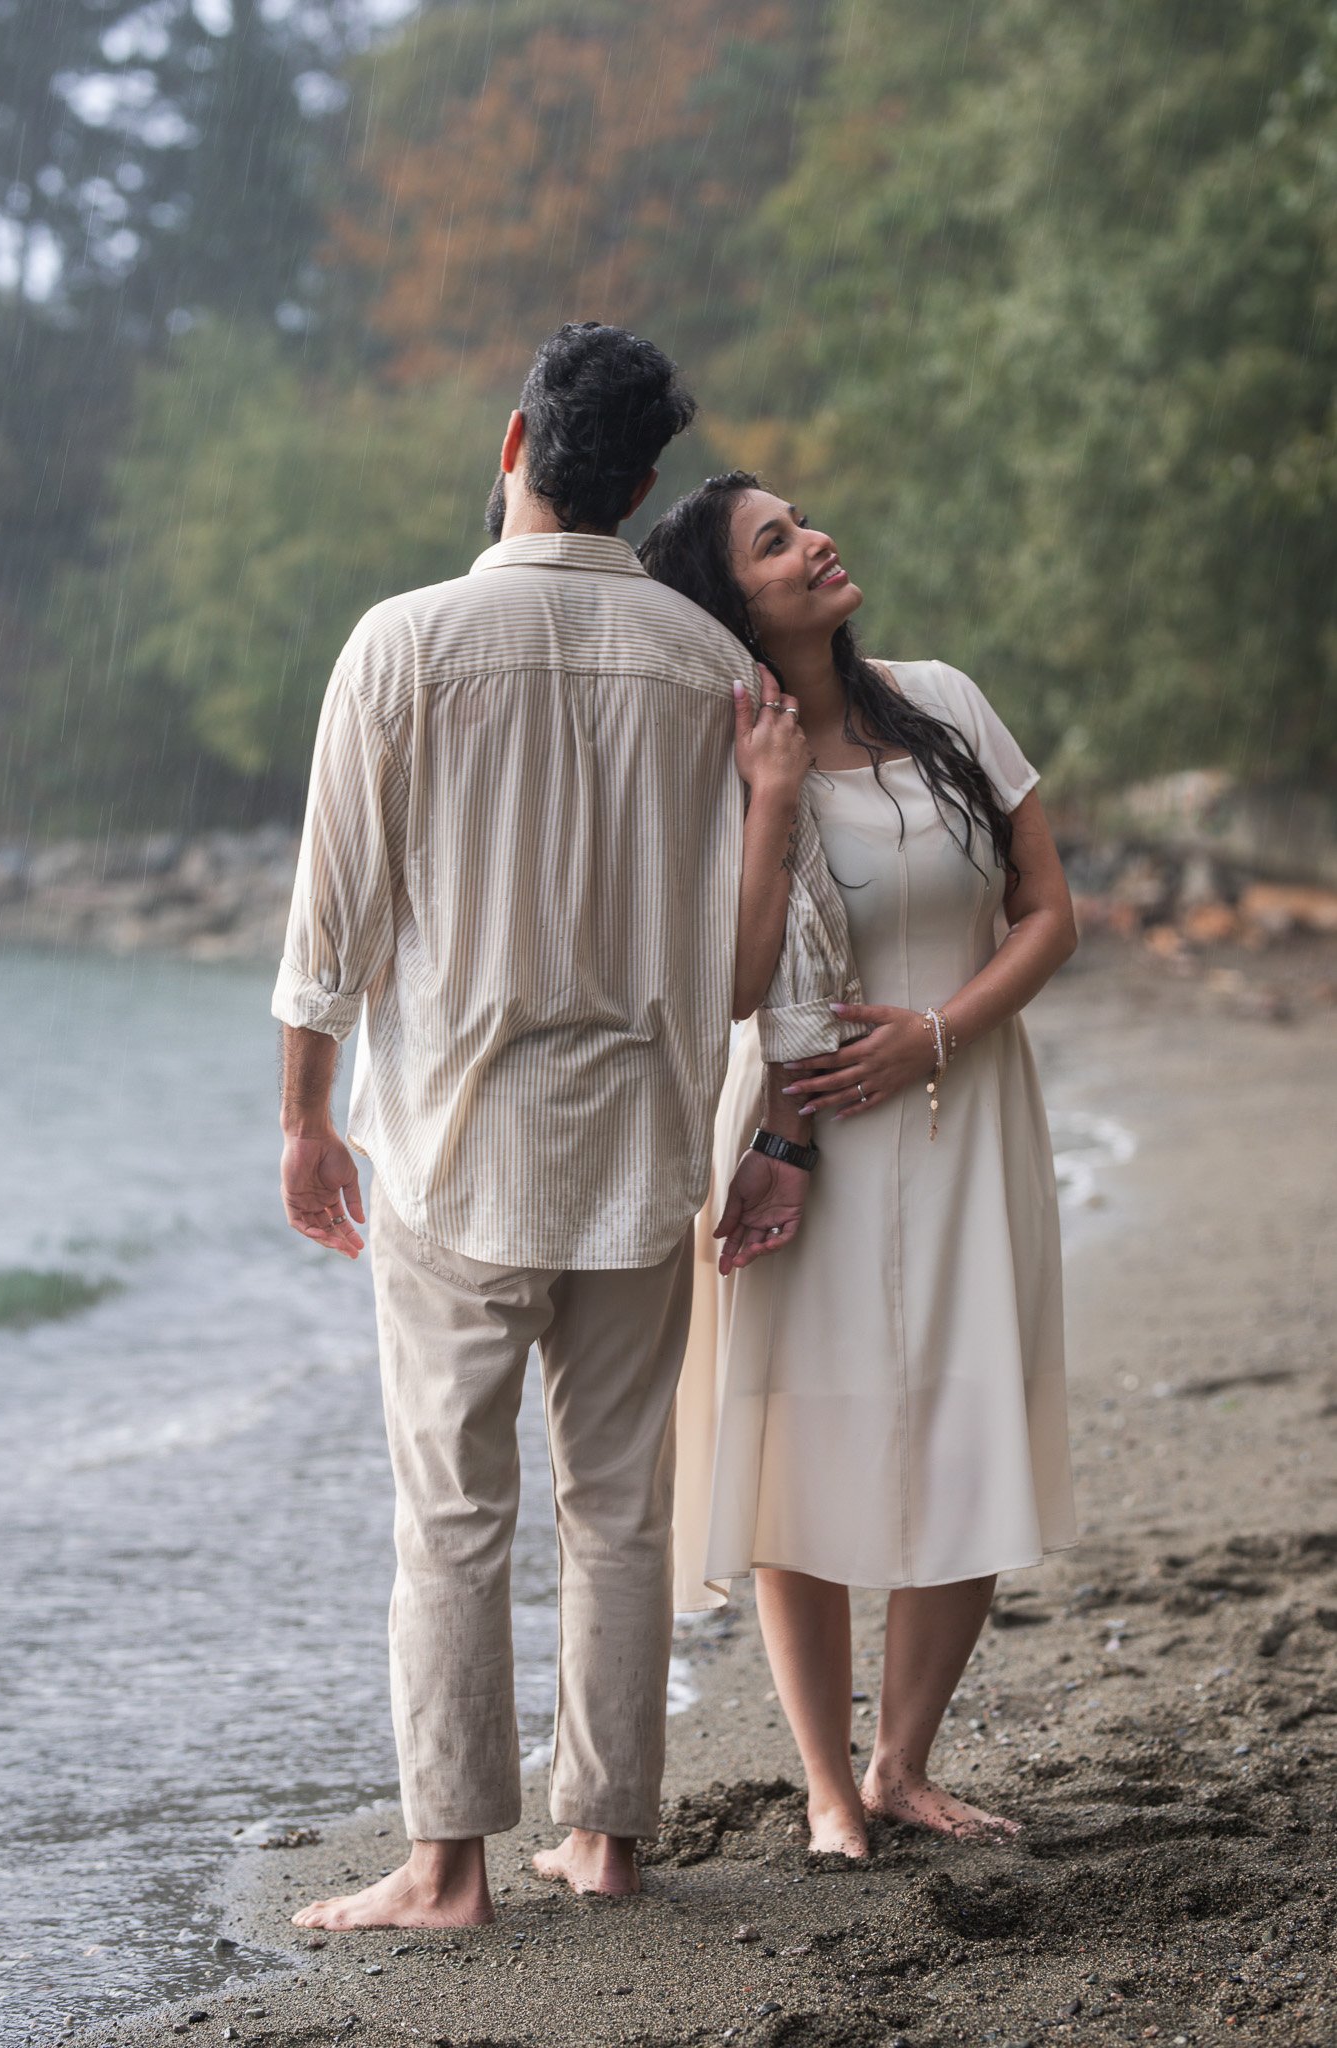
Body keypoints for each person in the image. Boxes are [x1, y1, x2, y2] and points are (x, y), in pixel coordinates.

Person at [271, 335, 862, 1929]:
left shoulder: (400, 645)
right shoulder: (705, 667)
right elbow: (772, 952)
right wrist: (775, 1131)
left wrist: (306, 1123)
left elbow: (330, 926)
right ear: (647, 484)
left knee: (452, 1513)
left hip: (457, 1152)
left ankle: (445, 1867)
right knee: (617, 1504)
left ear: (518, 438)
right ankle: (602, 1839)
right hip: (642, 1148)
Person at [639, 471, 1080, 1859]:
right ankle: (826, 1789)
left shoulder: (944, 702)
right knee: (801, 1448)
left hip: (963, 1112)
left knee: (969, 1423)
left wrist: (936, 1032)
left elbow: (1048, 912)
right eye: (776, 543)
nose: (817, 541)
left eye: (804, 522)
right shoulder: (720, 764)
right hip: (796, 1136)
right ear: (735, 605)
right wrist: (770, 800)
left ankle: (901, 1765)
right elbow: (732, 981)